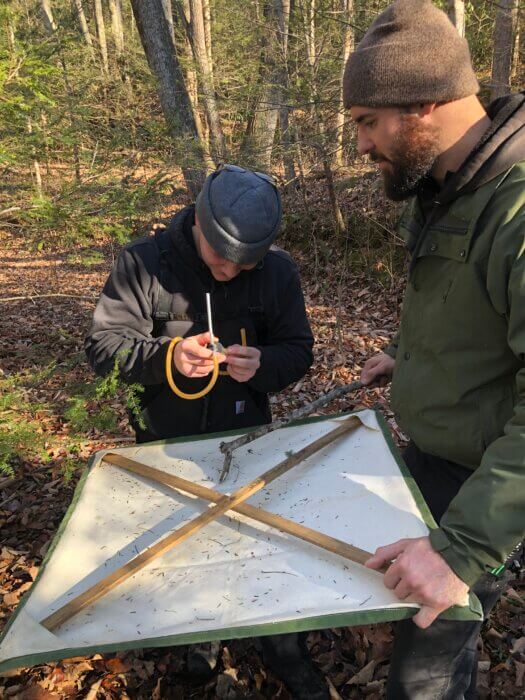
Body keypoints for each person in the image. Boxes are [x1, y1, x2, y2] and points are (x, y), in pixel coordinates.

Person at [85, 164, 328, 699]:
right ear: (198, 221)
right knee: (185, 546)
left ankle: (282, 645)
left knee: (259, 545)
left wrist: (262, 363)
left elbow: (298, 350)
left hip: (249, 438)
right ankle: (199, 636)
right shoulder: (144, 263)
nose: (232, 272)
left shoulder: (278, 273)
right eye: (223, 259)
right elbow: (103, 348)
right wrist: (168, 355)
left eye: (248, 263)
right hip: (166, 442)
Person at [342, 1, 524, 697]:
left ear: (421, 105)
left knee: (420, 671)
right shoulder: (446, 184)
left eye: (365, 123)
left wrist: (461, 552)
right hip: (435, 455)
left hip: (483, 486)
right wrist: (408, 354)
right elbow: (468, 306)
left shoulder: (514, 205)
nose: (360, 146)